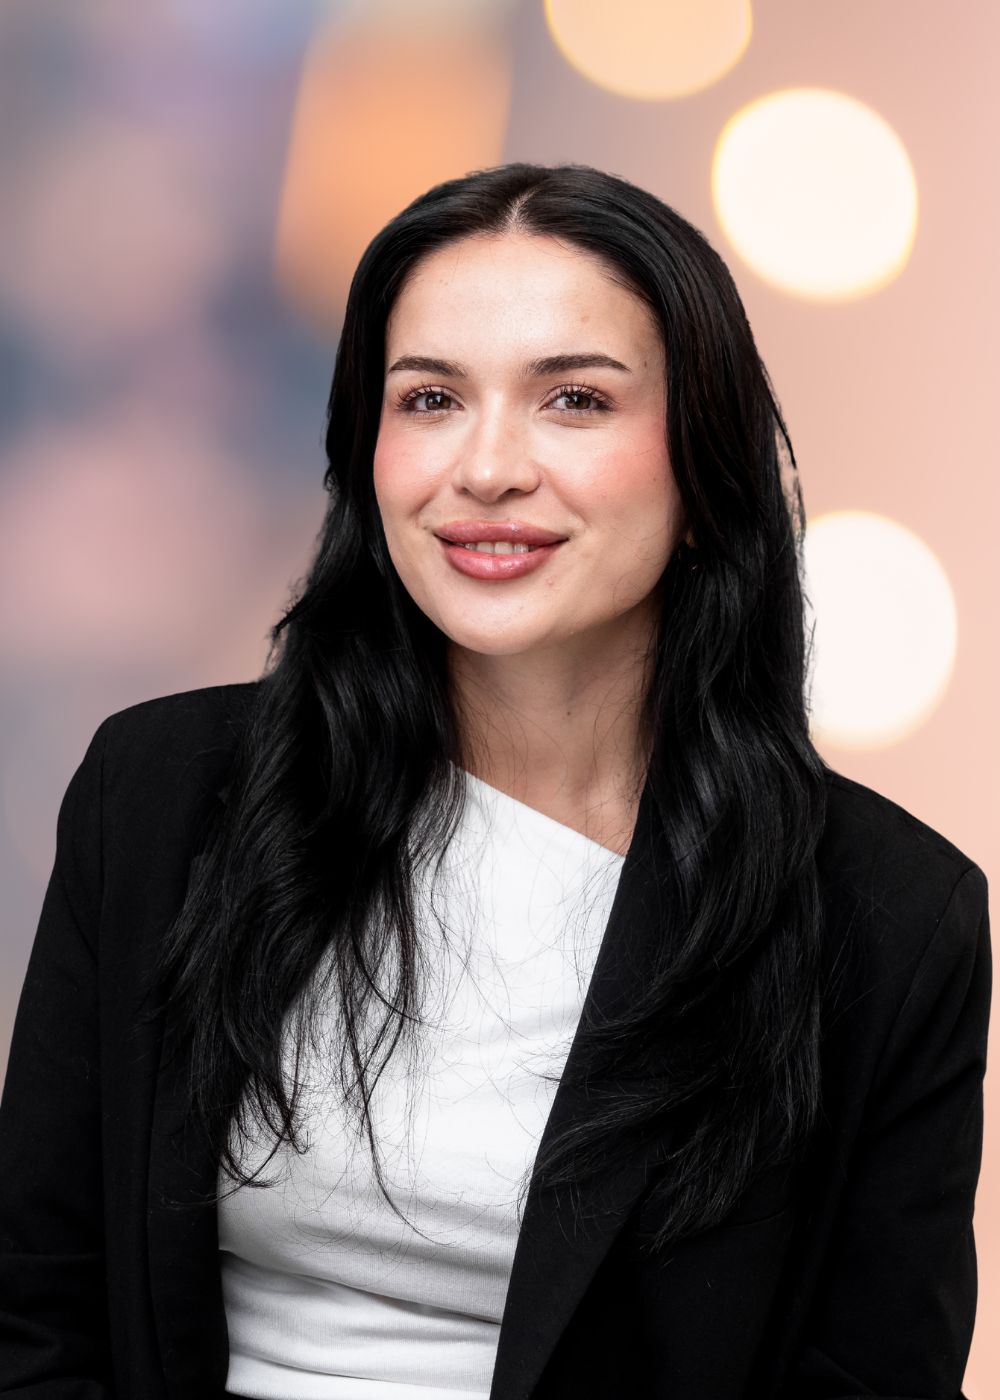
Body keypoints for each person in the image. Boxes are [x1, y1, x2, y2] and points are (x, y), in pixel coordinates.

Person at [0, 164, 989, 1400]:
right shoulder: (157, 793)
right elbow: (37, 1313)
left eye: (574, 398)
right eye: (430, 398)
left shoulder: (888, 919)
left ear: (704, 466)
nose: (486, 466)